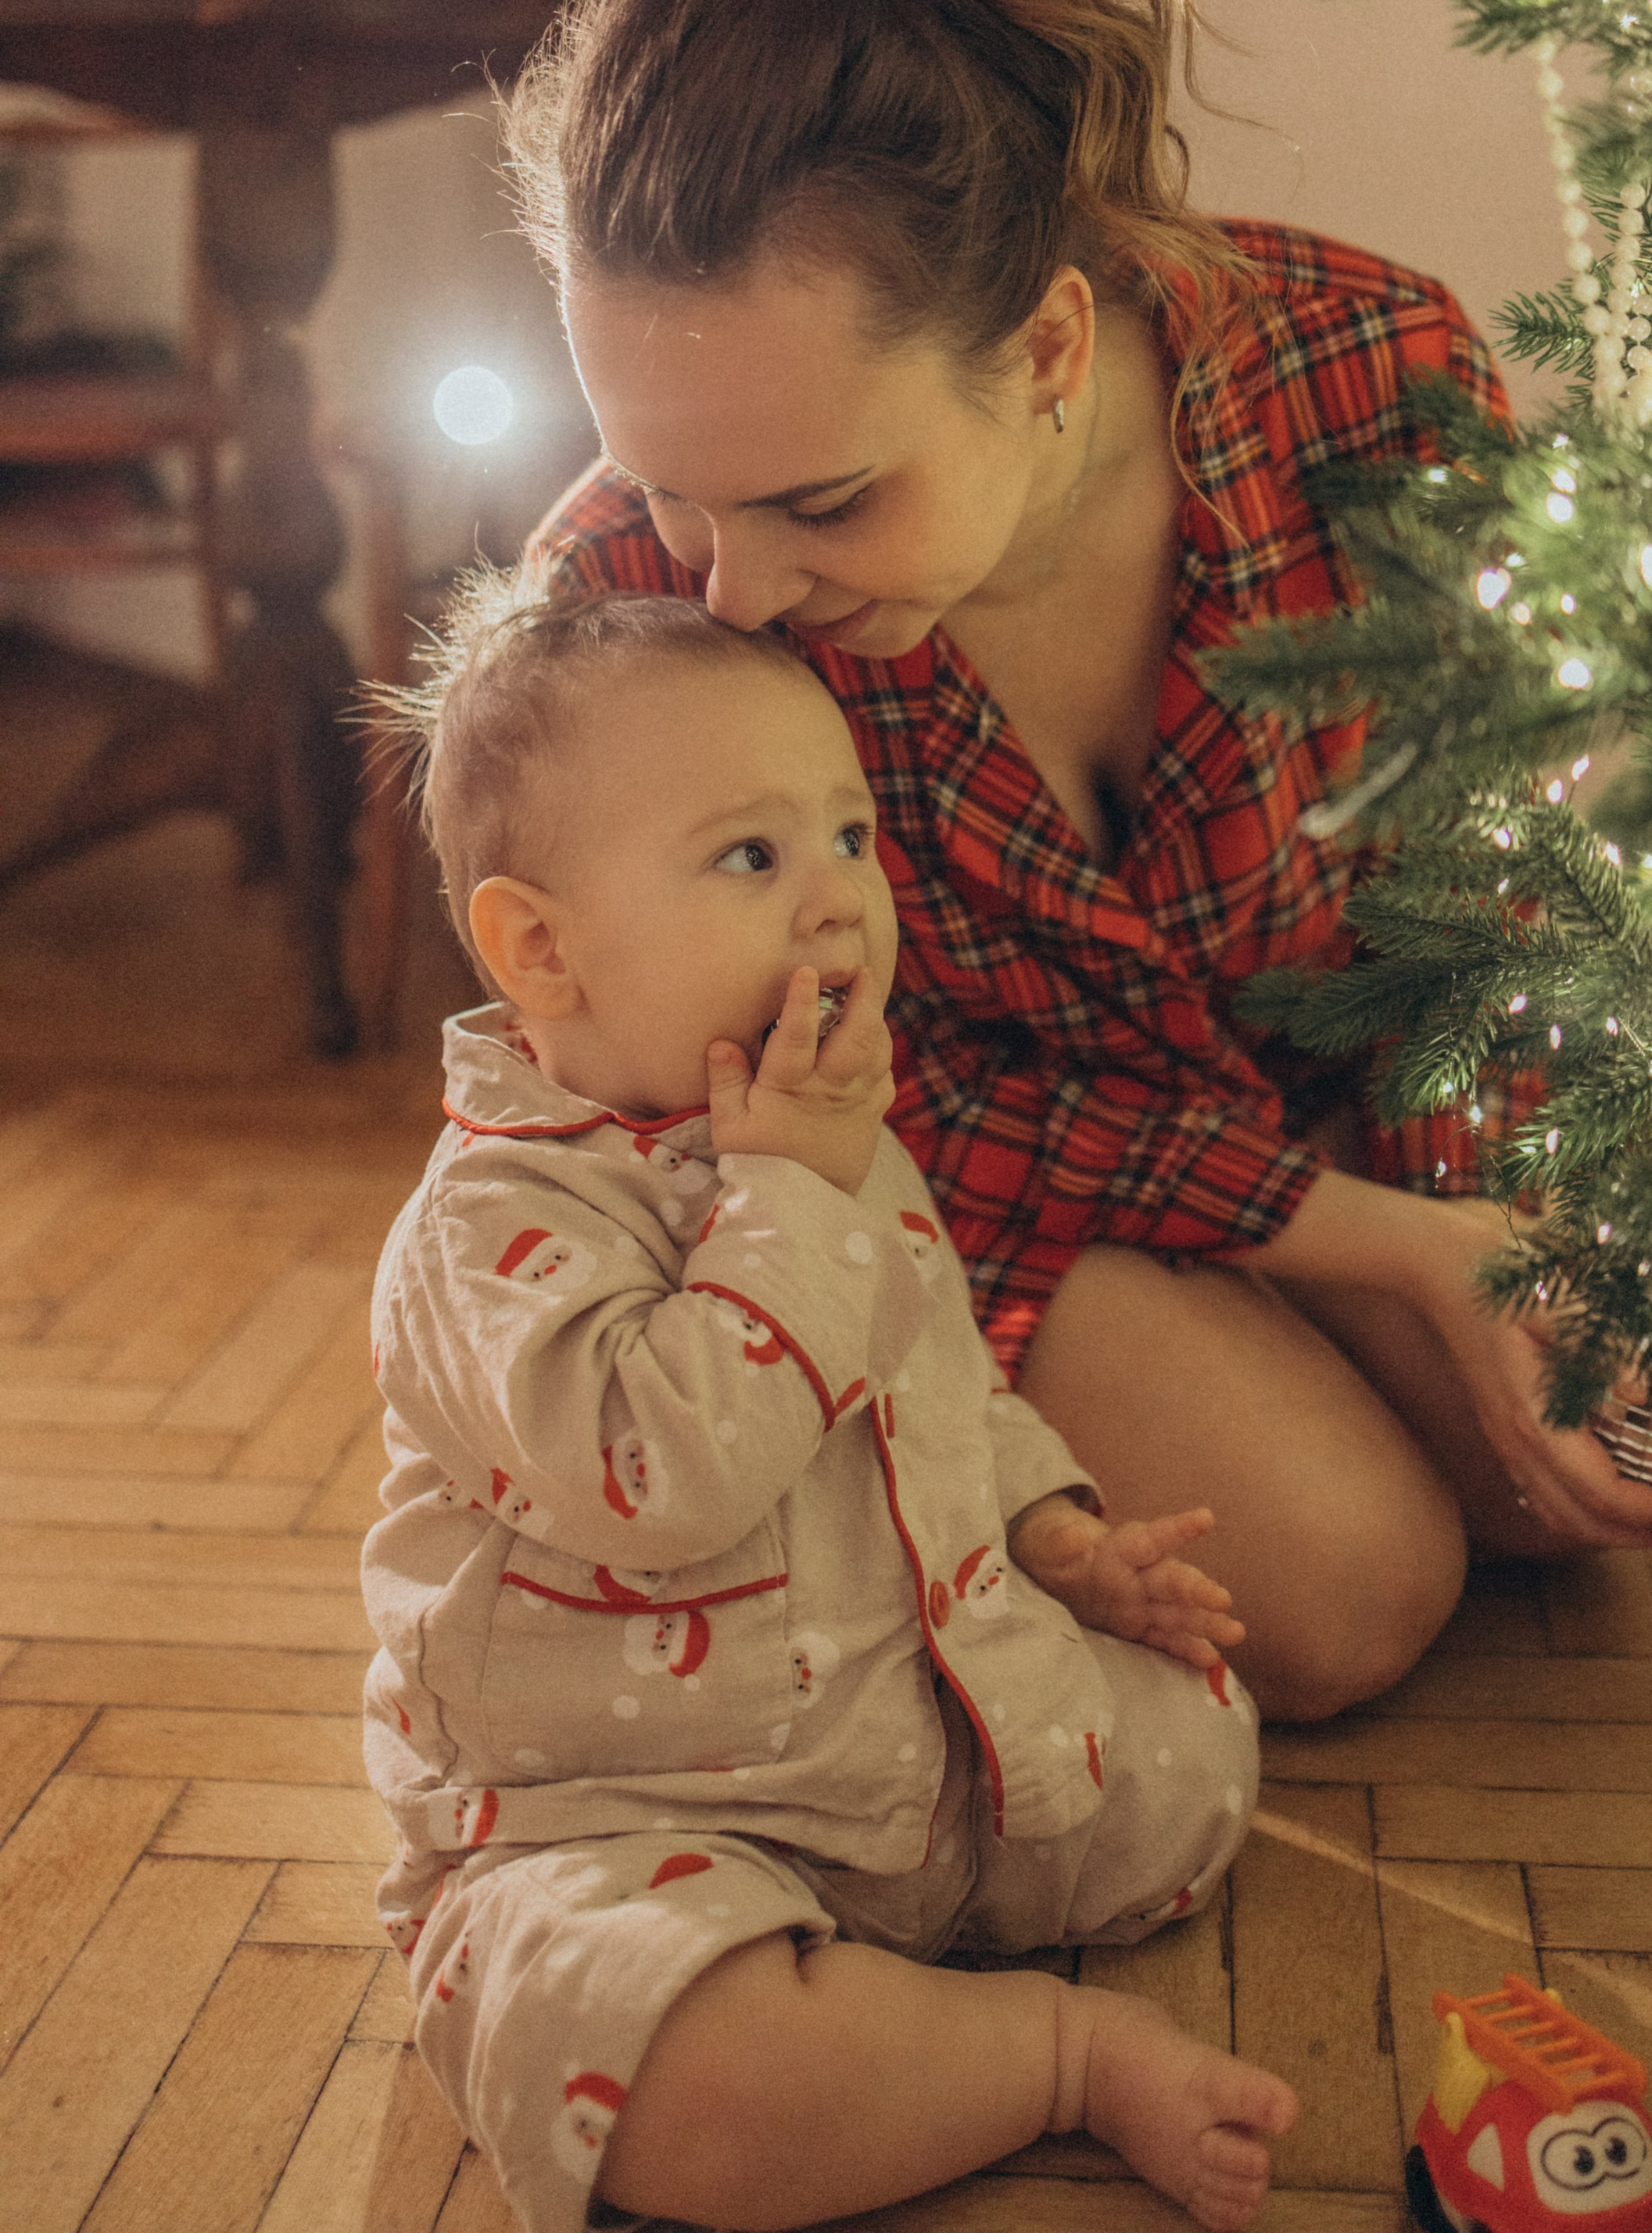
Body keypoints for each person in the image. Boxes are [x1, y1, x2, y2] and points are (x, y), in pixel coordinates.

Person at [513, 0, 1652, 1729]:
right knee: (1347, 1589)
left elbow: (1474, 900)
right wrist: (1388, 1253)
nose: (730, 587)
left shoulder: (1370, 381)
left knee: (1580, 1473)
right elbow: (775, 1112)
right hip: (926, 1178)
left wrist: (1484, 1238)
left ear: (1053, 351)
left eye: (821, 493)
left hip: (1286, 1120)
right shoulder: (628, 610)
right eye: (668, 481)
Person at [362, 572, 1298, 2233]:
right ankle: (1051, 2055)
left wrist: (1057, 1539)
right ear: (541, 949)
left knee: (1198, 1737)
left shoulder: (815, 1134)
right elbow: (661, 1471)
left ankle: (889, 1978)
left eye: (851, 837)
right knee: (690, 2103)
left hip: (893, 1748)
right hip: (614, 1828)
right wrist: (791, 1197)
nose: (838, 904)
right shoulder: (488, 1231)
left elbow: (932, 1370)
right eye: (751, 856)